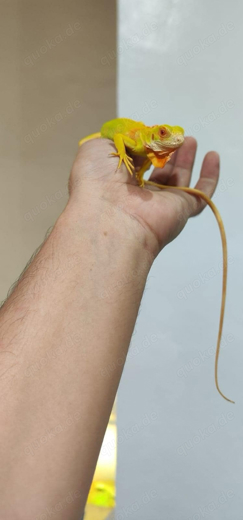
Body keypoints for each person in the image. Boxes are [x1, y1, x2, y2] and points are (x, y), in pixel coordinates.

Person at [0, 136, 219, 519]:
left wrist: (116, 219)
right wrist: (104, 207)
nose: (170, 138)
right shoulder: (129, 138)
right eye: (165, 133)